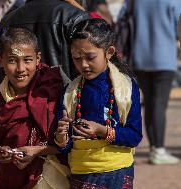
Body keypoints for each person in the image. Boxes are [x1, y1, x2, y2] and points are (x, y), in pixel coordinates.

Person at [54, 19, 142, 189]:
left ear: (109, 52)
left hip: (118, 172)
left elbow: (134, 136)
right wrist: (61, 136)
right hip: (82, 172)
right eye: (77, 58)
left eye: (90, 57)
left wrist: (102, 131)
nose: (83, 64)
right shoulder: (70, 93)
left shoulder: (126, 89)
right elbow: (65, 147)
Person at [0, 27, 64, 189]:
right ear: (0, 60)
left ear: (38, 59)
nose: (20, 68)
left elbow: (67, 145)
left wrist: (37, 151)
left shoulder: (52, 91)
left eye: (27, 60)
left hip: (49, 177)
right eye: (12, 60)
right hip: (11, 178)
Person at [132, 0, 181, 165]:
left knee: (150, 103)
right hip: (164, 57)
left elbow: (125, 17)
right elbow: (178, 24)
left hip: (140, 56)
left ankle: (154, 146)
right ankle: (159, 149)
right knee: (159, 103)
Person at [0, 0, 90, 85]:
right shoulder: (76, 17)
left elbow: (0, 76)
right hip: (64, 98)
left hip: (17, 100)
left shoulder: (8, 20)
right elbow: (89, 70)